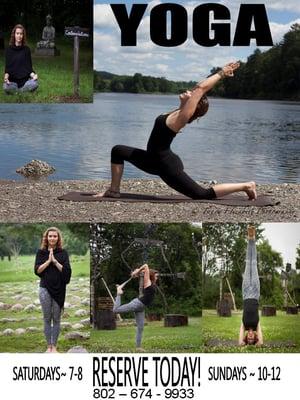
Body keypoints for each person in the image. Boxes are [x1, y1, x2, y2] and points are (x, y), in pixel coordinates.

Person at [96, 62, 256, 201]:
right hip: (152, 159)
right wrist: (190, 97)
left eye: (193, 95)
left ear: (193, 105)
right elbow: (198, 88)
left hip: (166, 165)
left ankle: (246, 185)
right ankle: (114, 191)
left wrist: (222, 72)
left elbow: (201, 88)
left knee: (201, 194)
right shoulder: (178, 111)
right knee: (118, 151)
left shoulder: (181, 117)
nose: (190, 91)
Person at [34, 227, 72, 353]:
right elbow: (37, 270)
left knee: (56, 319)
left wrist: (55, 261)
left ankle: (54, 346)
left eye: (55, 236)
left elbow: (67, 272)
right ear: (46, 238)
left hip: (59, 290)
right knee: (46, 318)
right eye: (50, 236)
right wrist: (48, 261)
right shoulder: (41, 252)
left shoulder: (63, 253)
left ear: (58, 238)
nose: (52, 238)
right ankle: (48, 346)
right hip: (45, 289)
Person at [113, 264, 158, 351]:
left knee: (140, 327)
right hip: (137, 304)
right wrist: (138, 271)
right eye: (156, 276)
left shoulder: (152, 283)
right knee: (116, 310)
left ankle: (138, 347)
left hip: (141, 308)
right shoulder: (147, 282)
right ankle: (118, 293)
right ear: (151, 276)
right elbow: (145, 265)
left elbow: (144, 270)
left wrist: (137, 272)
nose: (157, 277)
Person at [238, 226, 263, 346]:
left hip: (246, 293)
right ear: (256, 337)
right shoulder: (257, 324)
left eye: (249, 339)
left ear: (246, 336)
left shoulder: (244, 324)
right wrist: (257, 343)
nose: (251, 337)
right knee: (254, 264)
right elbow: (261, 343)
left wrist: (244, 343)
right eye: (253, 339)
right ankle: (253, 239)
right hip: (256, 293)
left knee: (248, 264)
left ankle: (250, 238)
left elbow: (240, 343)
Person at [3, 24, 38, 94]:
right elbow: (8, 69)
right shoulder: (8, 50)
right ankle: (22, 91)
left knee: (35, 83)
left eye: (21, 34)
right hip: (13, 82)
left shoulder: (26, 50)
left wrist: (34, 75)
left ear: (23, 35)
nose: (19, 36)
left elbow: (29, 68)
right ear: (14, 35)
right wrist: (6, 77)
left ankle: (18, 92)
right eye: (17, 33)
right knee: (5, 87)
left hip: (25, 82)